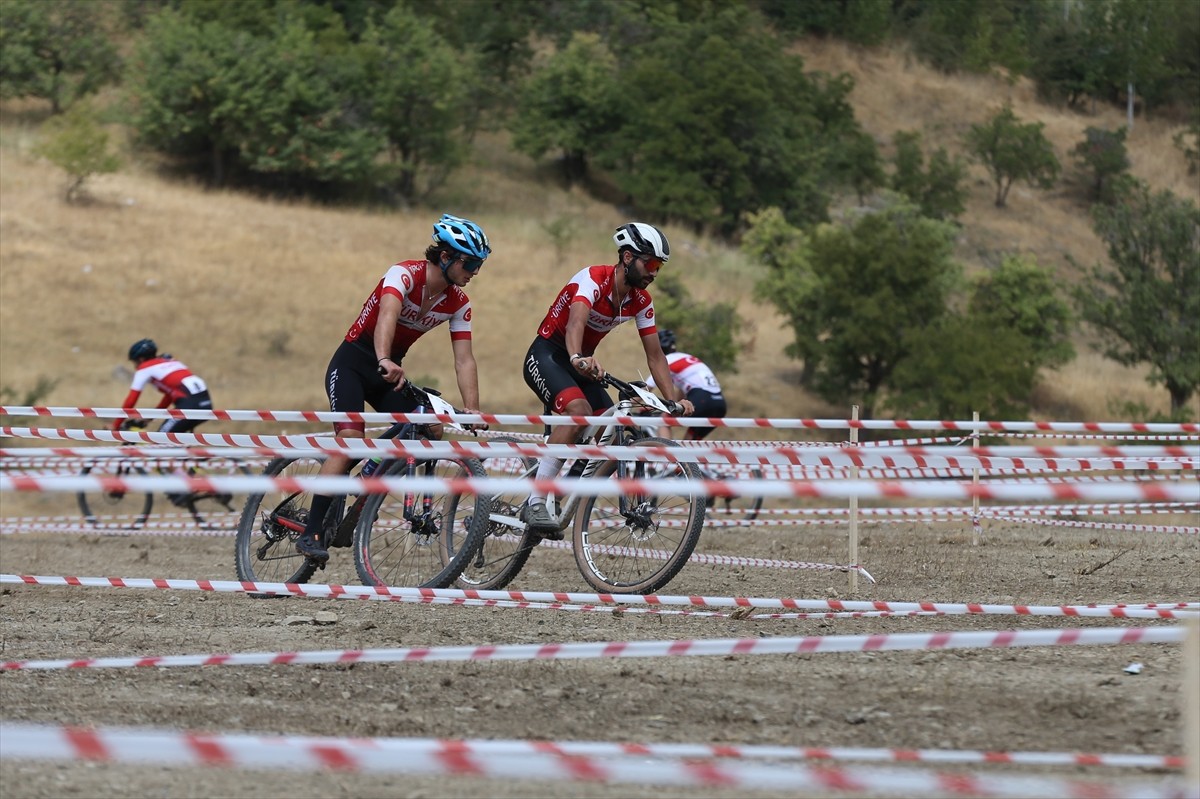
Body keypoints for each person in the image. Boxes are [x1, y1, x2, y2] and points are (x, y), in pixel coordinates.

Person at [295, 213, 491, 565]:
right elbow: (387, 315)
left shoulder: (458, 303)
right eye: (470, 263)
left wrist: (472, 409)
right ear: (445, 257)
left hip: (390, 372)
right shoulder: (403, 275)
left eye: (479, 264)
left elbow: (464, 358)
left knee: (430, 425)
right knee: (351, 438)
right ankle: (310, 530)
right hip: (354, 363)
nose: (475, 272)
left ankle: (368, 474)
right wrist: (384, 358)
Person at [520, 222, 694, 538]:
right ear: (627, 257)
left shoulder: (641, 300)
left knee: (605, 427)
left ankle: (558, 496)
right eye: (651, 264)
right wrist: (576, 357)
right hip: (550, 355)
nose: (654, 273)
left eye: (659, 267)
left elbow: (655, 356)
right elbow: (575, 325)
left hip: (583, 365)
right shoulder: (593, 279)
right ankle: (534, 501)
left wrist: (671, 401)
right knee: (578, 411)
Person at [114, 339, 217, 506]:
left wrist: (116, 425)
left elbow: (131, 401)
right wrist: (149, 418)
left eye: (134, 362)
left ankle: (188, 486)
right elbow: (170, 395)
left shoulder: (144, 368)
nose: (135, 366)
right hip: (203, 403)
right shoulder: (169, 361)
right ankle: (191, 473)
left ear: (139, 360)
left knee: (158, 444)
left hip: (188, 406)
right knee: (169, 444)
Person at [646, 329, 727, 441]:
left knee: (664, 422)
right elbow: (683, 393)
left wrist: (629, 402)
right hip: (719, 404)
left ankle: (666, 456)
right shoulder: (687, 357)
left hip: (702, 398)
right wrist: (673, 405)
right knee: (688, 447)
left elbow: (646, 389)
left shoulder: (666, 360)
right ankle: (682, 458)